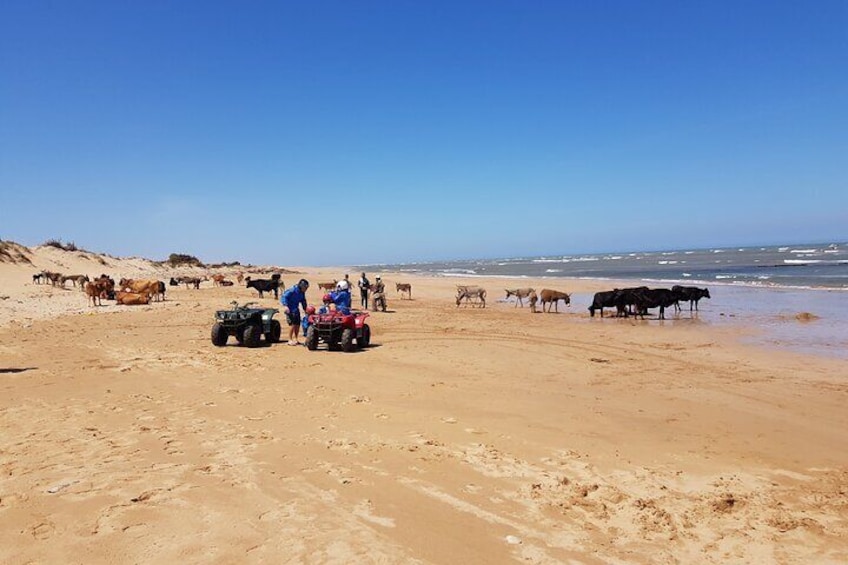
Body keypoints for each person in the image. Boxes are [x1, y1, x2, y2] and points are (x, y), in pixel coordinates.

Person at [281, 278, 309, 345]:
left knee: (297, 324)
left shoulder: (302, 293)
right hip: (290, 309)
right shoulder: (292, 290)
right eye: (305, 287)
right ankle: (290, 339)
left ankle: (296, 339)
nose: (306, 289)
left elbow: (303, 301)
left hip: (296, 309)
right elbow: (284, 297)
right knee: (292, 324)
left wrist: (305, 309)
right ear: (301, 286)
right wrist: (285, 306)